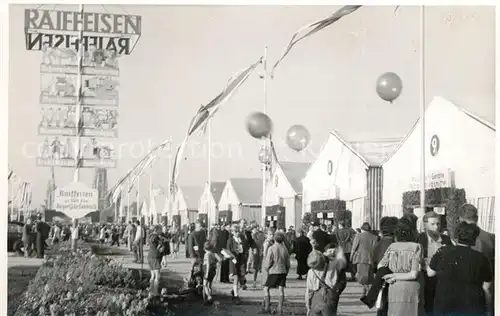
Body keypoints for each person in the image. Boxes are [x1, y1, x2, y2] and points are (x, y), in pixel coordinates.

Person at [426, 221, 493, 316]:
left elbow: (430, 273)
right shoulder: (482, 258)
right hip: (471, 306)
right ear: (474, 238)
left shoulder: (442, 251)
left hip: (444, 305)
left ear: (457, 236)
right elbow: (486, 287)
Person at [377, 222, 422, 316]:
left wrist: (390, 276)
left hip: (395, 286)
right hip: (411, 288)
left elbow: (380, 266)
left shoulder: (392, 247)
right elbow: (413, 274)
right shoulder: (416, 247)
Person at [417, 211, 452, 315]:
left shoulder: (446, 239)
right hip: (424, 278)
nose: (436, 227)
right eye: (432, 224)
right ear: (425, 225)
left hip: (442, 279)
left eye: (438, 224)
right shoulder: (419, 239)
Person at [304, 244, 347, 316]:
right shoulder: (333, 267)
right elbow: (342, 261)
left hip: (315, 298)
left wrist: (308, 307)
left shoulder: (311, 272)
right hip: (330, 297)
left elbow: (308, 292)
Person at [262, 232, 290, 315]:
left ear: (275, 239)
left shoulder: (271, 248)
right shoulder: (285, 249)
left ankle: (267, 308)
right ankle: (280, 308)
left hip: (273, 271)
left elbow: (268, 262)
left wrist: (266, 269)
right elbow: (288, 263)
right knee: (281, 290)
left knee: (266, 289)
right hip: (283, 271)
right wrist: (286, 271)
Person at [351, 222, 378, 296]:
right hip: (370, 259)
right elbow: (375, 249)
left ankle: (369, 291)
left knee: (360, 277)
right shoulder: (374, 237)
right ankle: (364, 293)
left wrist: (351, 257)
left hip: (361, 258)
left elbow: (354, 248)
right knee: (368, 278)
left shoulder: (358, 236)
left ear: (362, 228)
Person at [226, 223, 246, 304]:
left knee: (242, 279)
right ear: (232, 232)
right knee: (236, 277)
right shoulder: (230, 240)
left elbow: (245, 249)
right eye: (236, 231)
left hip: (241, 260)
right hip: (233, 261)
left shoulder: (241, 239)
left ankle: (234, 291)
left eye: (238, 231)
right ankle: (236, 297)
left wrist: (243, 249)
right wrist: (232, 257)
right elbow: (227, 251)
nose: (238, 233)